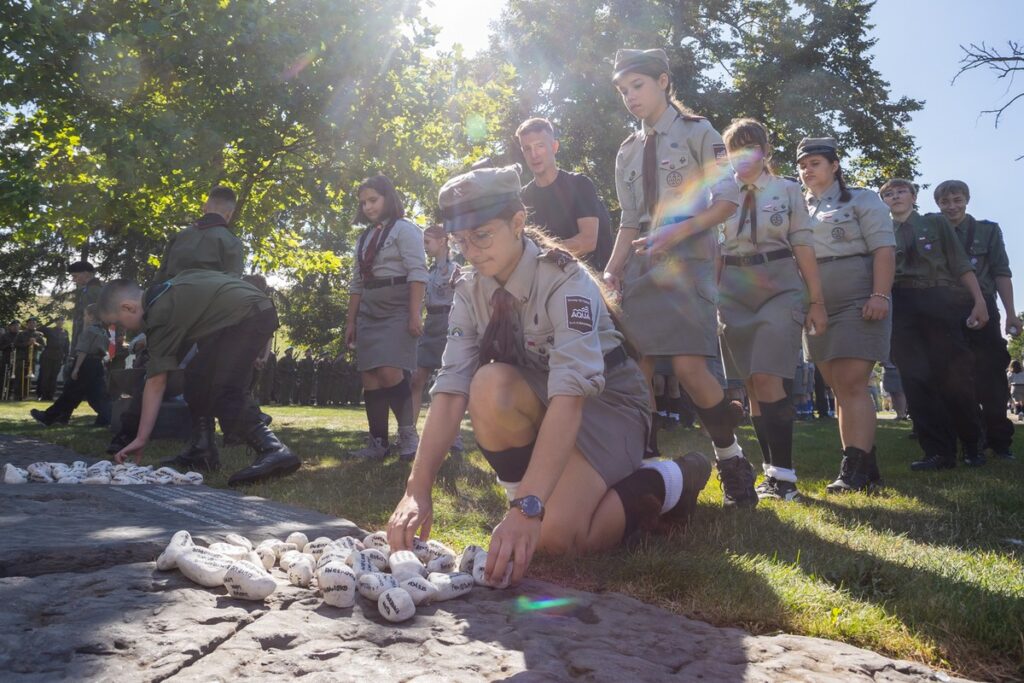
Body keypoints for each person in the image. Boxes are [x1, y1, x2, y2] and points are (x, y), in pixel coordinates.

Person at [387, 164, 712, 584]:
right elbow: (450, 390)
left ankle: (674, 476)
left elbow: (570, 395)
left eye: (482, 235)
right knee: (488, 385)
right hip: (546, 403)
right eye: (460, 240)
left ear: (518, 221)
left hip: (607, 406)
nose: (471, 250)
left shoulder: (564, 280)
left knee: (560, 538)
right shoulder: (470, 291)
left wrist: (530, 508)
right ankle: (528, 504)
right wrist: (418, 485)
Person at [601, 48, 757, 508]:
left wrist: (678, 232)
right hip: (643, 256)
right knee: (638, 367)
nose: (630, 97)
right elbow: (630, 218)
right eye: (623, 90)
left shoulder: (699, 132)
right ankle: (645, 465)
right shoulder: (627, 151)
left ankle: (732, 461)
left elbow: (727, 201)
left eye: (638, 86)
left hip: (688, 253)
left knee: (690, 366)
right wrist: (611, 269)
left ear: (663, 82)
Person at [97, 270, 300, 485]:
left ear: (129, 307)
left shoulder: (159, 311)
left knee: (223, 388)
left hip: (247, 317)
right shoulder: (166, 290)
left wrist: (140, 438)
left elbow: (156, 381)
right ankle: (202, 449)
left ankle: (273, 449)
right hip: (241, 315)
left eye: (119, 323)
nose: (122, 330)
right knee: (196, 377)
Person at [718, 118, 827, 502]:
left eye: (752, 147)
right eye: (735, 149)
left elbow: (803, 246)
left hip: (779, 283)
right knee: (750, 385)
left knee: (767, 377)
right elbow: (714, 250)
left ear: (765, 152)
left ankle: (785, 476)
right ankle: (770, 475)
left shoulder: (787, 190)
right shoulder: (721, 194)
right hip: (733, 289)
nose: (744, 156)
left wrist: (816, 301)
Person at [797, 137, 895, 493]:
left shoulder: (862, 198)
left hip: (859, 295)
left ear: (834, 165)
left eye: (815, 163)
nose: (808, 171)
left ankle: (851, 470)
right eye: (803, 165)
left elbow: (884, 248)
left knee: (853, 383)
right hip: (817, 302)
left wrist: (880, 294)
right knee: (838, 388)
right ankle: (867, 470)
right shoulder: (798, 206)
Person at [881, 178, 988, 470]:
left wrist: (979, 300)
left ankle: (972, 444)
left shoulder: (935, 223)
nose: (895, 196)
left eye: (901, 191)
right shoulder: (881, 231)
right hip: (900, 303)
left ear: (914, 196)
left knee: (953, 376)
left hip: (938, 298)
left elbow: (960, 262)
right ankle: (937, 451)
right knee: (915, 379)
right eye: (888, 194)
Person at [344, 175, 429, 460]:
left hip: (397, 306)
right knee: (370, 376)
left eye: (373, 200)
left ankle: (408, 436)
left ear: (388, 198)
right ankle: (378, 443)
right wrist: (350, 321)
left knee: (390, 371)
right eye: (363, 202)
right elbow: (357, 284)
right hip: (369, 307)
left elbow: (418, 273)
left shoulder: (406, 230)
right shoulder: (364, 238)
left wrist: (414, 314)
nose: (368, 207)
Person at [933, 180, 1017, 461]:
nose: (952, 206)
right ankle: (968, 440)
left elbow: (1001, 271)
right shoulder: (931, 232)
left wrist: (1011, 313)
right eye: (945, 202)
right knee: (953, 378)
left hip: (984, 306)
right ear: (938, 205)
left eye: (957, 200)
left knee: (992, 374)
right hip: (945, 310)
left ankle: (1000, 441)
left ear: (967, 200)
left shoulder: (987, 230)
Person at [517, 117, 614, 271]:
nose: (534, 154)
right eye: (527, 148)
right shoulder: (522, 198)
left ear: (554, 147)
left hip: (588, 279)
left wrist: (541, 254)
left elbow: (588, 241)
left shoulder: (579, 184)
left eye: (540, 146)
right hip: (545, 284)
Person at [409, 224, 463, 453]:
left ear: (442, 241)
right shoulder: (426, 272)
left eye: (427, 242)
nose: (425, 247)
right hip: (430, 324)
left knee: (450, 380)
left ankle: (454, 435)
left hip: (450, 324)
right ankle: (409, 433)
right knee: (417, 377)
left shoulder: (456, 269)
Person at [31, 305, 111, 426]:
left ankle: (48, 416)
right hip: (97, 364)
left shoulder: (89, 330)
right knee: (96, 395)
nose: (84, 317)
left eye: (85, 315)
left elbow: (83, 350)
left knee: (71, 392)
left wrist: (77, 368)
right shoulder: (104, 331)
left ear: (91, 316)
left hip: (86, 363)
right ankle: (109, 417)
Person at [154, 186, 244, 281]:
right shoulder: (232, 242)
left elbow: (159, 278)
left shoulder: (180, 236)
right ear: (230, 213)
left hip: (171, 292)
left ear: (204, 207)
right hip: (208, 294)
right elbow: (232, 282)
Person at [67, 261, 103, 363]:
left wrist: (81, 349)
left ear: (86, 274)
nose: (74, 280)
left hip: (88, 348)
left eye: (75, 276)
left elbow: (89, 321)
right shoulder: (90, 289)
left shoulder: (92, 291)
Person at [13, 317, 46, 400]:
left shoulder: (39, 334)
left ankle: (25, 395)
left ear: (36, 324)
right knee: (20, 378)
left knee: (29, 378)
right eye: (30, 323)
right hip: (21, 359)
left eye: (34, 323)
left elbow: (43, 347)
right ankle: (17, 396)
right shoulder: (21, 334)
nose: (32, 325)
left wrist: (35, 343)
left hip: (32, 359)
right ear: (27, 324)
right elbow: (16, 344)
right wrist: (27, 343)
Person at [36, 317, 68, 401]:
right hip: (48, 355)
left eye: (62, 321)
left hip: (58, 356)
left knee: (54, 377)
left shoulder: (65, 332)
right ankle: (43, 395)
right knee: (45, 376)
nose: (60, 322)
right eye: (58, 321)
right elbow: (39, 329)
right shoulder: (50, 330)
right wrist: (49, 322)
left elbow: (66, 346)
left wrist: (66, 357)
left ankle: (51, 395)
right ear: (56, 322)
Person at [0, 321, 20, 401]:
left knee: (15, 379)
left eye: (17, 326)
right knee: (3, 378)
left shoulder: (20, 335)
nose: (15, 327)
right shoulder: (4, 336)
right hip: (6, 359)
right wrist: (9, 345)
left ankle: (12, 396)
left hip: (17, 360)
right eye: (14, 326)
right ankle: (2, 395)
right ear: (10, 327)